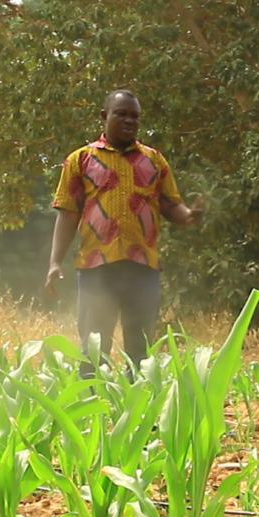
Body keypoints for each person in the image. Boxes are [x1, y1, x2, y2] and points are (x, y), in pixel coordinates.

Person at [45, 89, 202, 379]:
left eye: (135, 116)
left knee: (140, 351)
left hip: (143, 268)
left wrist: (188, 216)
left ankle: (137, 415)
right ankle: (93, 415)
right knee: (93, 349)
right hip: (96, 267)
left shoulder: (154, 161)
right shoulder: (80, 160)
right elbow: (68, 213)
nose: (129, 121)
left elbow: (170, 206)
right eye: (122, 114)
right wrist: (55, 262)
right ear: (104, 116)